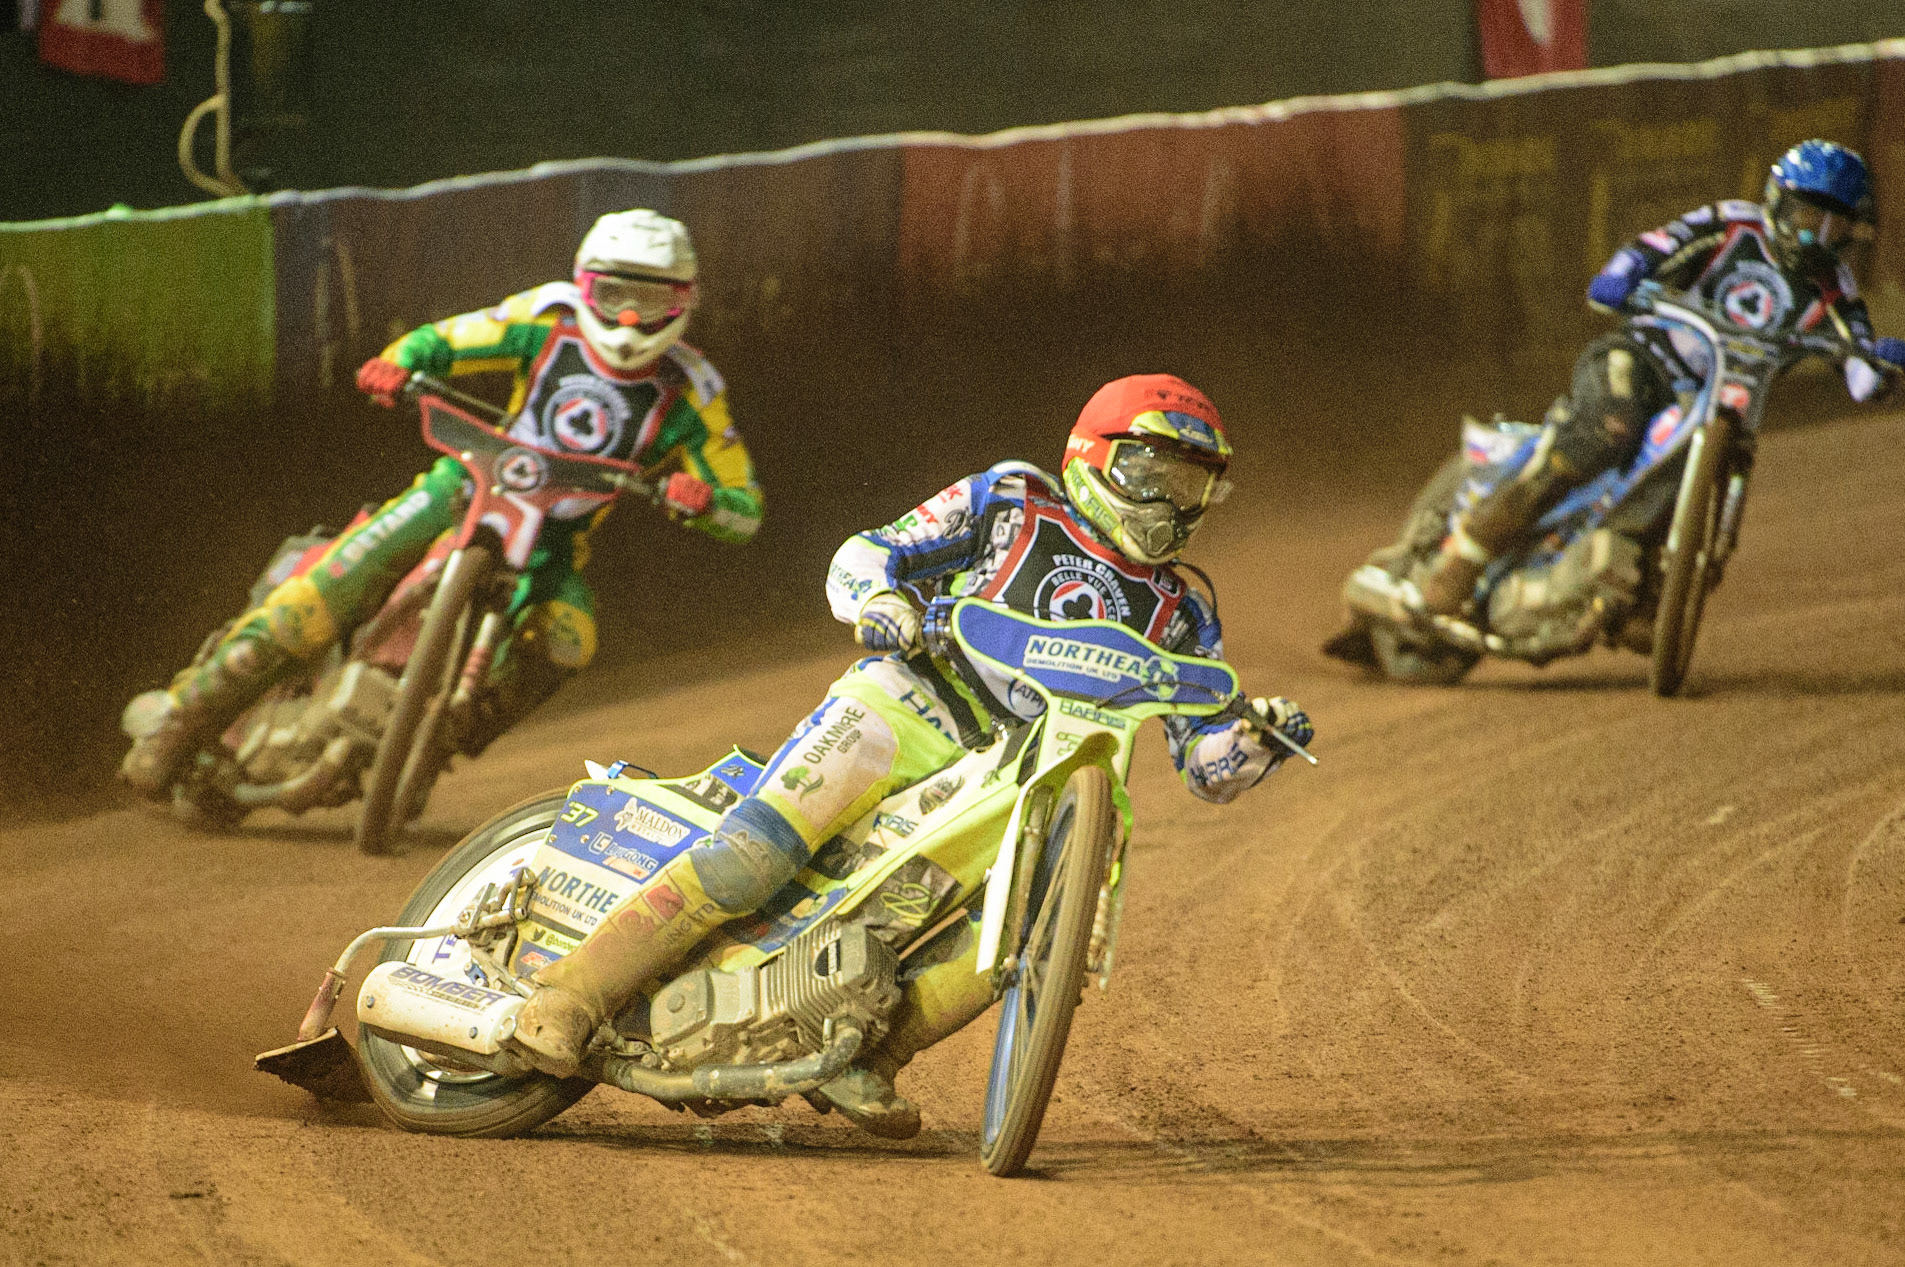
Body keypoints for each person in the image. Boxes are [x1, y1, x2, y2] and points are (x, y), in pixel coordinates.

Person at [503, 373, 1314, 1138]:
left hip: (1032, 768)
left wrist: (1255, 738)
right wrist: (881, 602)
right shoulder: (1011, 500)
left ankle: (869, 1054)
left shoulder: (1181, 607)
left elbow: (1205, 765)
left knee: (1029, 930)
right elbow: (869, 550)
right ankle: (569, 994)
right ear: (1092, 455)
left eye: (1191, 484)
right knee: (755, 854)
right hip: (912, 700)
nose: (1171, 502)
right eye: (1153, 472)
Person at [121, 209, 764, 798]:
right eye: (614, 295)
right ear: (584, 286)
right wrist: (397, 363)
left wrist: (705, 499)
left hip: (556, 543)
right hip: (458, 490)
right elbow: (446, 340)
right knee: (320, 594)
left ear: (683, 302)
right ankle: (177, 725)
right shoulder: (545, 320)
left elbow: (746, 508)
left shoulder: (693, 391)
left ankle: (439, 743)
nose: (628, 318)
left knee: (572, 638)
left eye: (650, 300)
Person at [1415, 139, 1903, 616]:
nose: (1814, 236)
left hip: (1725, 404)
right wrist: (1620, 277)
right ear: (1779, 201)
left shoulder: (1835, 288)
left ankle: (1641, 591)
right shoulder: (1732, 224)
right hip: (1644, 356)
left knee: (1706, 473)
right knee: (1610, 424)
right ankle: (1470, 550)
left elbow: (1857, 355)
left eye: (1832, 224)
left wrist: (1879, 368)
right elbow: (1653, 246)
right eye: (1807, 217)